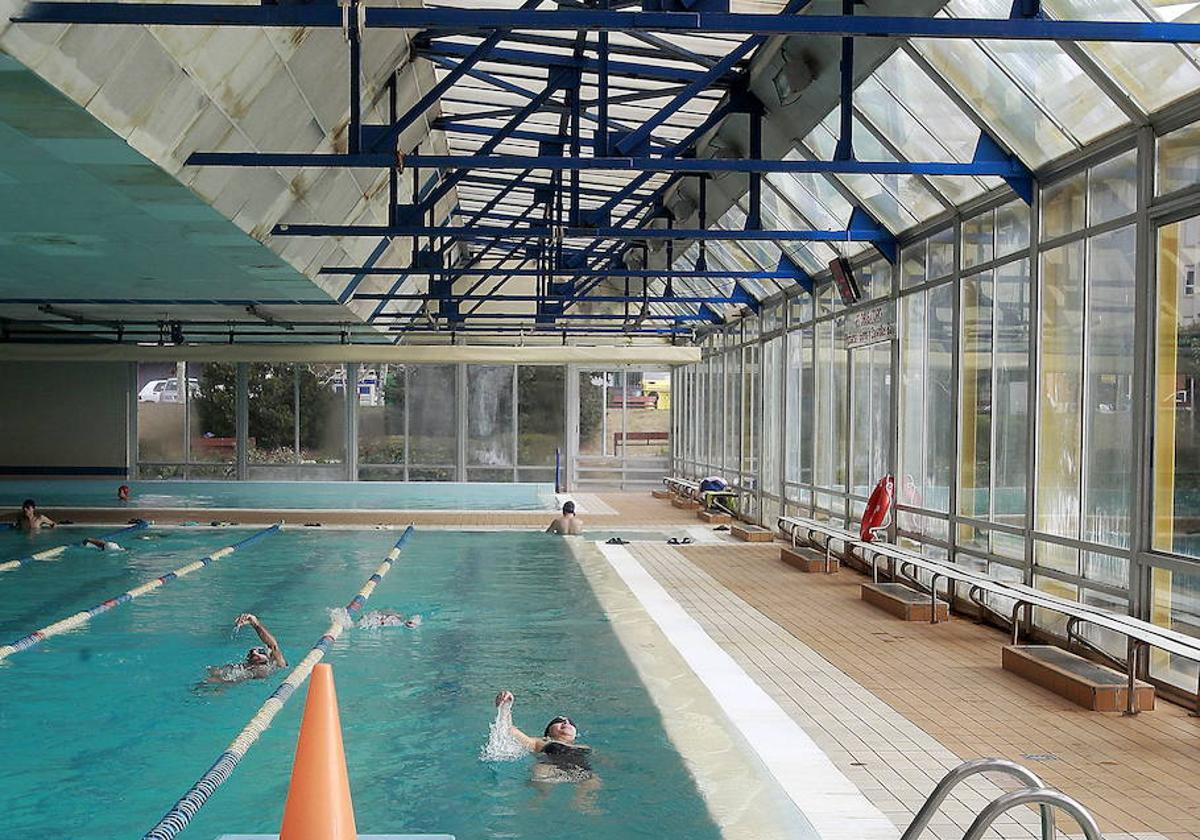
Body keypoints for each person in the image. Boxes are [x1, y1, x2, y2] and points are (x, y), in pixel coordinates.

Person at [493, 690, 593, 779]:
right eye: (559, 721)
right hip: (549, 768)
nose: (566, 723)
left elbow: (601, 760)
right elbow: (508, 729)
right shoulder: (540, 742)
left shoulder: (584, 746)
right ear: (548, 732)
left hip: (580, 770)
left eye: (570, 723)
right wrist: (505, 707)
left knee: (592, 784)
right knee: (541, 781)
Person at [204, 612, 287, 684]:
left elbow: (273, 645)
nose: (254, 653)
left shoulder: (276, 664)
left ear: (269, 657)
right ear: (248, 660)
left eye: (260, 651)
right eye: (251, 653)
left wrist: (255, 623)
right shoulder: (242, 668)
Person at [357, 609, 422, 629]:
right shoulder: (399, 620)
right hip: (381, 617)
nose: (409, 624)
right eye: (410, 623)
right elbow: (391, 616)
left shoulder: (399, 623)